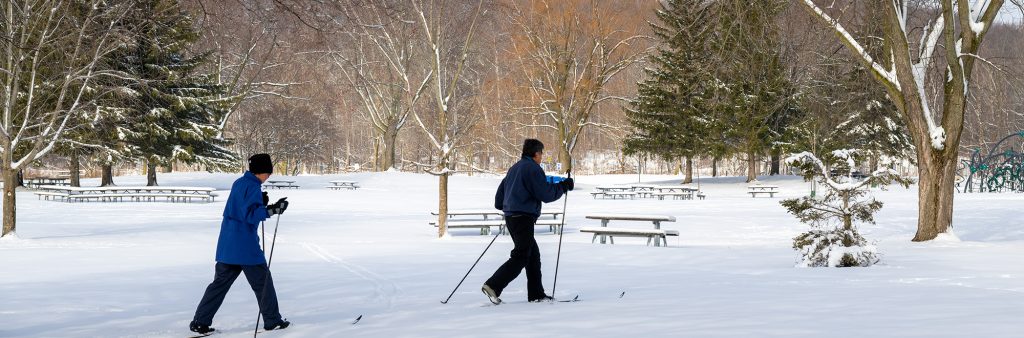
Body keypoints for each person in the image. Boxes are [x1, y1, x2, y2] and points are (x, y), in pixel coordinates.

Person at [189, 154, 291, 334]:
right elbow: (250, 216)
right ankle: (272, 320)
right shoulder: (252, 186)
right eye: (268, 172)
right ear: (262, 171)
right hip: (245, 246)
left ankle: (200, 321)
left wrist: (264, 205)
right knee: (263, 282)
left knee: (219, 285)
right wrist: (272, 210)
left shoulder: (240, 182)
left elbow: (241, 208)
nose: (269, 176)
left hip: (228, 244)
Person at [482, 139, 574, 304]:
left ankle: (536, 294)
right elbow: (545, 194)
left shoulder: (514, 168)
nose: (541, 157)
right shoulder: (532, 169)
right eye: (541, 154)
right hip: (522, 217)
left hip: (512, 217)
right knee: (522, 256)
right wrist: (563, 187)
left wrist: (511, 204)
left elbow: (498, 200)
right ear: (536, 153)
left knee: (532, 255)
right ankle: (493, 285)